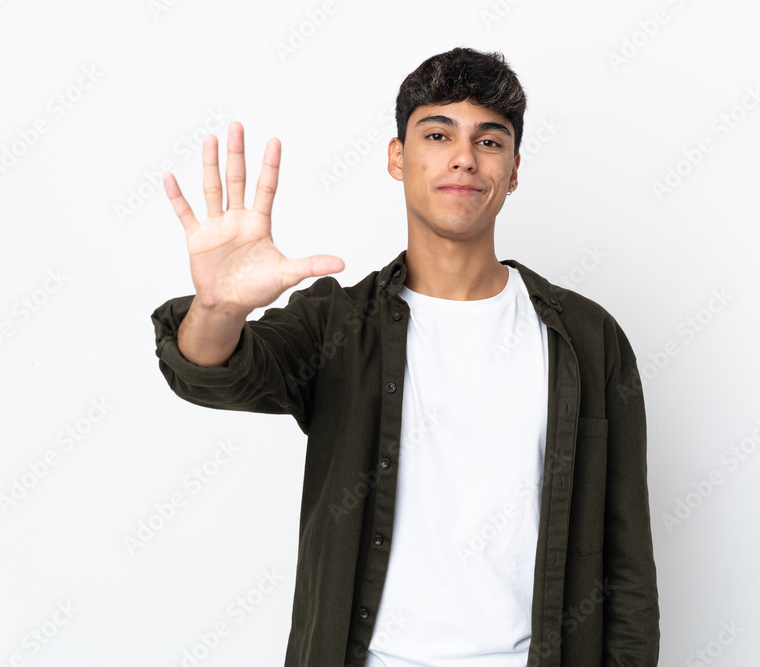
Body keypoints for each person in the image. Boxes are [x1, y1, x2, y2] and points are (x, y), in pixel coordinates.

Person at [151, 46, 659, 667]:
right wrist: (219, 308)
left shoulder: (586, 337)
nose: (464, 157)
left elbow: (626, 560)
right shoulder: (338, 323)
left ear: (514, 170)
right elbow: (212, 374)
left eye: (489, 141)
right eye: (438, 134)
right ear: (397, 157)